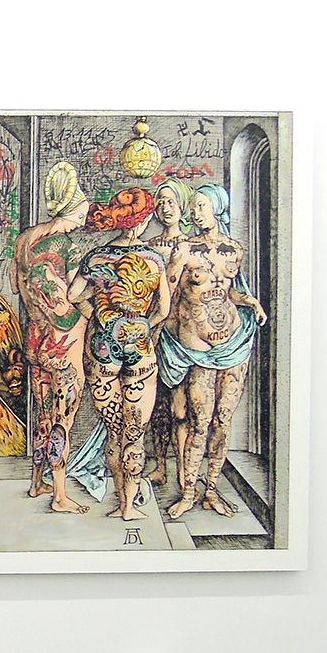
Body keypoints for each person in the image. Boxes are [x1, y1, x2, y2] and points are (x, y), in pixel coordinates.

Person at [160, 184, 267, 518]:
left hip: (234, 345)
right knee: (200, 421)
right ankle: (187, 494)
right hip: (200, 352)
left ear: (217, 208)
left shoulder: (234, 249)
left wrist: (251, 302)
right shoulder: (184, 249)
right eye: (193, 207)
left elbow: (229, 291)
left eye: (201, 206)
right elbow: (168, 296)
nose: (195, 213)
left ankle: (211, 491)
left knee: (222, 420)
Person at [68, 187, 170, 521]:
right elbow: (164, 310)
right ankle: (129, 508)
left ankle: (118, 503)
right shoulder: (154, 259)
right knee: (134, 433)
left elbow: (74, 295)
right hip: (140, 351)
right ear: (142, 221)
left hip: (103, 349)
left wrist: (97, 316)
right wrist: (143, 325)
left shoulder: (96, 256)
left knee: (115, 431)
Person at [10, 161, 93, 513]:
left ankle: (36, 482)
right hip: (64, 345)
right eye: (83, 206)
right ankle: (59, 495)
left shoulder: (24, 239)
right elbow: (72, 297)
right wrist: (94, 306)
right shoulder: (69, 247)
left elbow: (17, 285)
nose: (87, 213)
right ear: (73, 206)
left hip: (35, 338)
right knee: (62, 419)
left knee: (42, 411)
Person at [144, 179, 196, 485]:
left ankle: (183, 473)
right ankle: (161, 466)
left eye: (171, 202)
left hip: (182, 335)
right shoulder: (150, 246)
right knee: (157, 406)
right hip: (154, 332)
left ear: (182, 206)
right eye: (160, 202)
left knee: (181, 409)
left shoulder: (193, 245)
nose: (165, 208)